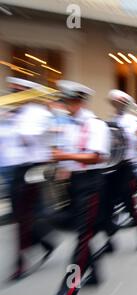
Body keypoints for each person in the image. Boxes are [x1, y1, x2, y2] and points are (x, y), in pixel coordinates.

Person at [52, 80, 110, 295]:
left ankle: (69, 288)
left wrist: (64, 157)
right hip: (74, 182)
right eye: (66, 100)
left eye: (70, 101)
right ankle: (94, 273)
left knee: (82, 237)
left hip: (91, 183)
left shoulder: (95, 125)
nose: (67, 104)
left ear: (80, 101)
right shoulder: (67, 124)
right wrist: (63, 169)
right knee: (81, 233)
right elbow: (66, 154)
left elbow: (97, 156)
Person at [5, 77, 56, 281]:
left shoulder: (40, 113)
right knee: (21, 214)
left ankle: (21, 263)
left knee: (23, 216)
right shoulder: (15, 113)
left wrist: (14, 121)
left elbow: (30, 138)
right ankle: (45, 242)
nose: (14, 93)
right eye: (14, 90)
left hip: (32, 168)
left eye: (19, 90)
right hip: (13, 167)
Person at [102, 89, 137, 251]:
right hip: (111, 167)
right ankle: (109, 240)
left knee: (130, 205)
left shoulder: (133, 121)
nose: (117, 105)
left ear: (126, 104)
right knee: (106, 206)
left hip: (127, 167)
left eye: (120, 103)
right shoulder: (111, 120)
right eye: (115, 102)